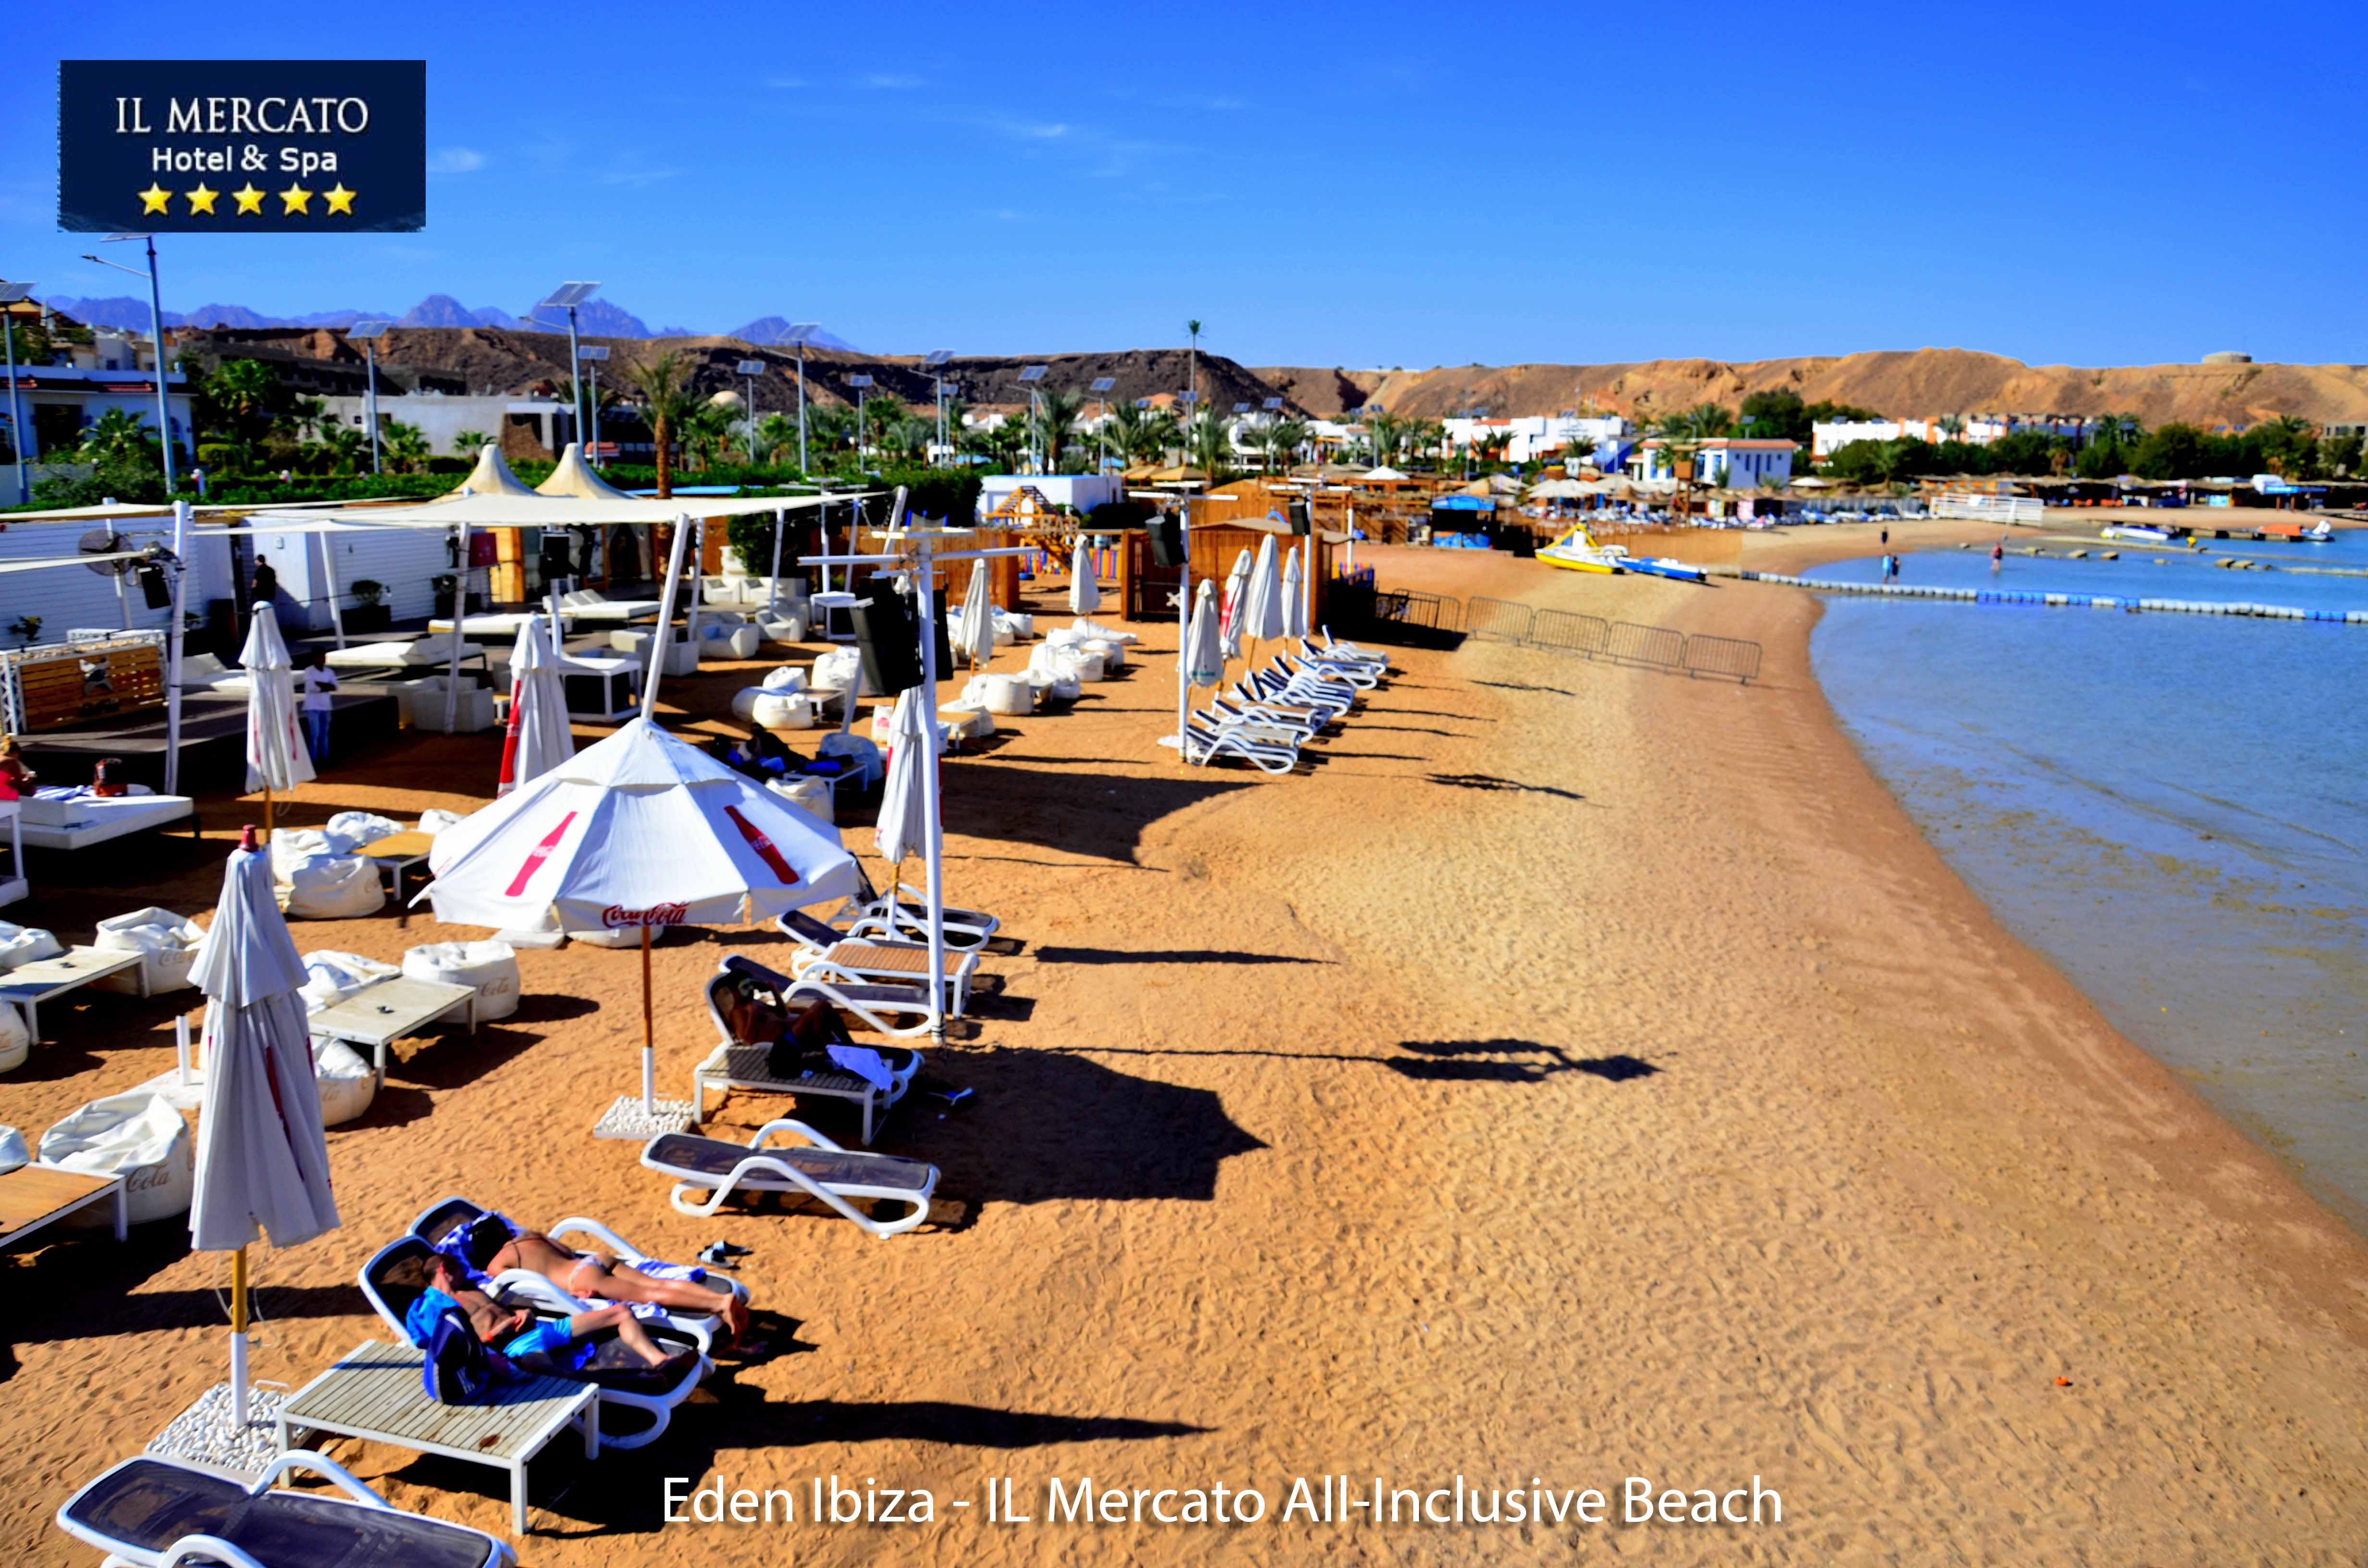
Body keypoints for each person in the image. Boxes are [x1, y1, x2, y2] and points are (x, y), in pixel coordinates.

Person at [436, 1211, 751, 1343]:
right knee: (656, 1283)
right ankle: (717, 1298)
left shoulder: (495, 1266)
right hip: (594, 1261)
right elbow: (566, 1248)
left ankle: (720, 1305)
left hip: (579, 1281)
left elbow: (510, 1287)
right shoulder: (529, 1236)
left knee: (650, 1296)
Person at [426, 1255, 695, 1373]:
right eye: (458, 1267)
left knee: (621, 1312)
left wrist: (523, 1313)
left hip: (540, 1329)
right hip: (513, 1348)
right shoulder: (433, 1308)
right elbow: (459, 1350)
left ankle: (659, 1360)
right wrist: (494, 1334)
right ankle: (639, 1381)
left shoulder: (471, 1289)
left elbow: (506, 1310)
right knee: (559, 1377)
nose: (464, 1271)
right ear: (444, 1268)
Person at [300, 651, 338, 762]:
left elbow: (336, 687)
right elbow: (312, 688)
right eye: (319, 657)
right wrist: (328, 686)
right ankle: (314, 758)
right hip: (312, 707)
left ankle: (325, 756)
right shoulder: (309, 671)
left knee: (324, 733)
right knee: (314, 734)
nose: (322, 660)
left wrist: (320, 684)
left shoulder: (329, 672)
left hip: (326, 707)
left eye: (323, 657)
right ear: (314, 659)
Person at [0, 736, 35, 800]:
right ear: (15, 753)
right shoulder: (12, 761)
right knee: (30, 790)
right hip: (2, 794)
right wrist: (29, 778)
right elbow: (20, 784)